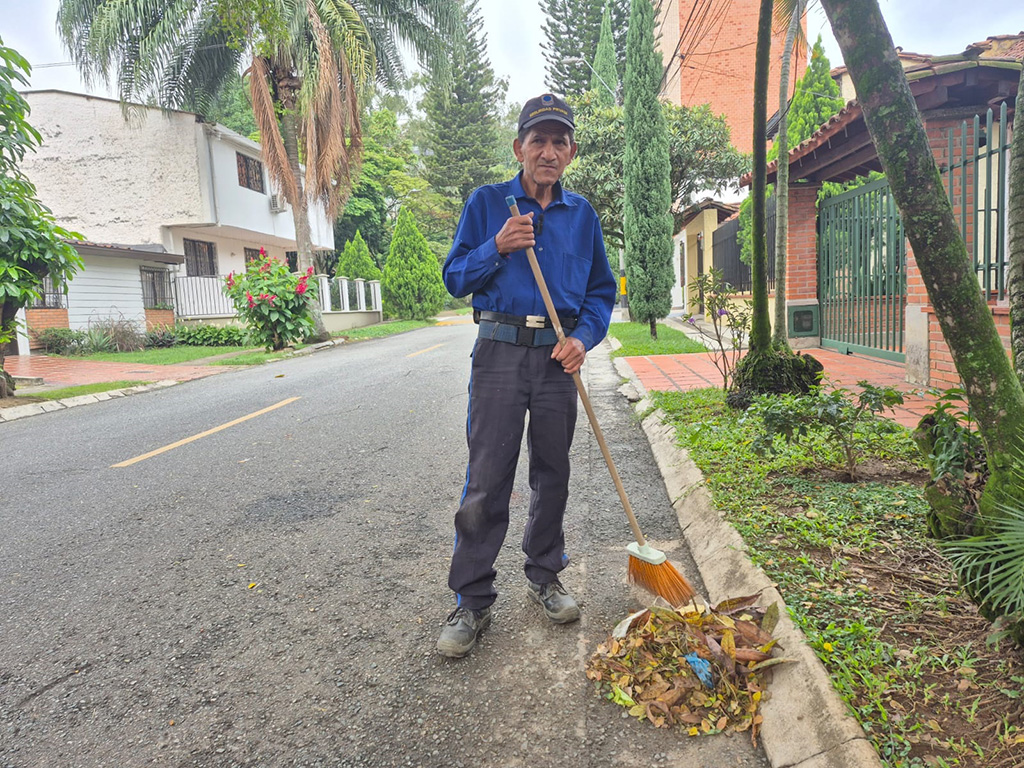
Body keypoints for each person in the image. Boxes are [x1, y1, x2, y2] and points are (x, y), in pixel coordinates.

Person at [437, 93, 616, 658]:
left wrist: (582, 340)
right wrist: (497, 245)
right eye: (537, 139)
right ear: (519, 147)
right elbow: (454, 277)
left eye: (558, 140)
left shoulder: (582, 216)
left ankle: (545, 574)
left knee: (552, 472)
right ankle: (471, 599)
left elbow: (600, 295)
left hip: (556, 359)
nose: (547, 150)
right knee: (488, 476)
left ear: (571, 152)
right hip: (498, 353)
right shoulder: (489, 204)